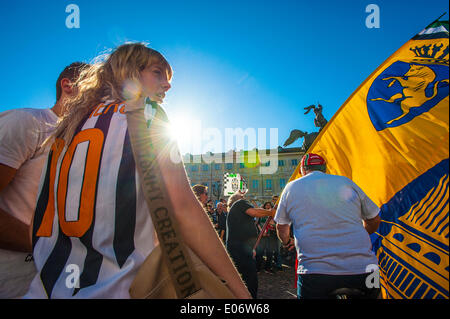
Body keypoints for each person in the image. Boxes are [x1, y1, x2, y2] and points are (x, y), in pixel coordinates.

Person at [24, 43, 251, 298]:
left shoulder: (65, 130)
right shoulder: (147, 113)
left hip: (46, 289)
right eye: (157, 73)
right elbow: (182, 207)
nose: (167, 85)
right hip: (123, 287)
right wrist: (239, 291)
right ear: (129, 72)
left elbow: (36, 219)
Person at [0, 62, 87, 298]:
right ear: (68, 86)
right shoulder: (28, 122)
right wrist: (45, 245)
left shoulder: (80, 145)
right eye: (95, 90)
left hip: (48, 280)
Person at [275, 153, 381, 299]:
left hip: (315, 272)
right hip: (365, 269)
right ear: (325, 169)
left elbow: (281, 227)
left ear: (302, 170)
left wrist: (287, 242)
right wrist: (358, 235)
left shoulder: (291, 187)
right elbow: (374, 219)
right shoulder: (346, 182)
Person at [226, 191, 276, 299]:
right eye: (242, 196)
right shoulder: (239, 203)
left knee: (243, 276)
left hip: (240, 248)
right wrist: (270, 212)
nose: (245, 198)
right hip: (240, 249)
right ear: (237, 198)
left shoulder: (235, 211)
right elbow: (254, 212)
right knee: (250, 278)